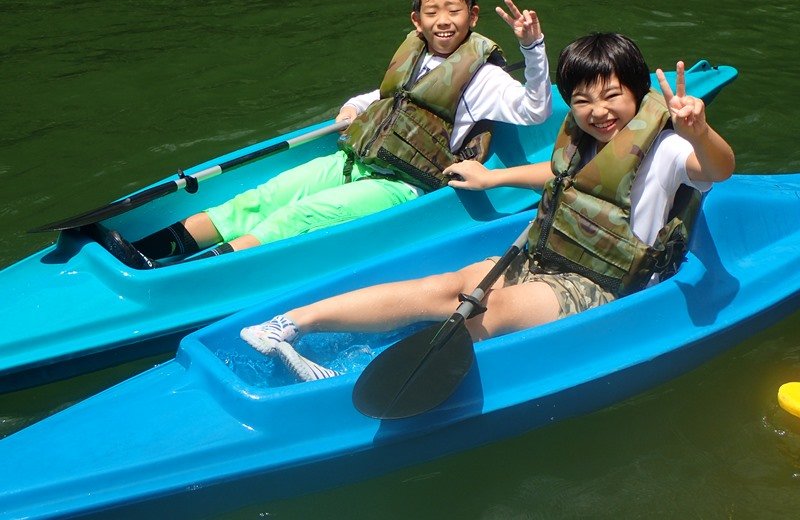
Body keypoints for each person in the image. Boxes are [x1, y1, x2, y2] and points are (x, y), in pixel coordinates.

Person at [240, 32, 736, 381]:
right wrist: (493, 176)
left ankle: (354, 383)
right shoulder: (585, 138)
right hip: (542, 256)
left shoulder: (670, 150)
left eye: (611, 96)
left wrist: (700, 131)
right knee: (448, 286)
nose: (597, 111)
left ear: (636, 93)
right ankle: (289, 324)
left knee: (488, 308)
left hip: (600, 285)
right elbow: (562, 178)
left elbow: (718, 170)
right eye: (582, 100)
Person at [100, 0, 552, 269]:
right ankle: (146, 252)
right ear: (417, 20)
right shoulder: (418, 54)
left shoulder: (485, 78)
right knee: (257, 199)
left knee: (293, 219)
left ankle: (189, 276)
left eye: (453, 11)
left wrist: (531, 48)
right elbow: (392, 95)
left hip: (402, 185)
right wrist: (358, 104)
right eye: (432, 12)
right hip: (354, 160)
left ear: (472, 16)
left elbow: (535, 110)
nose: (443, 21)